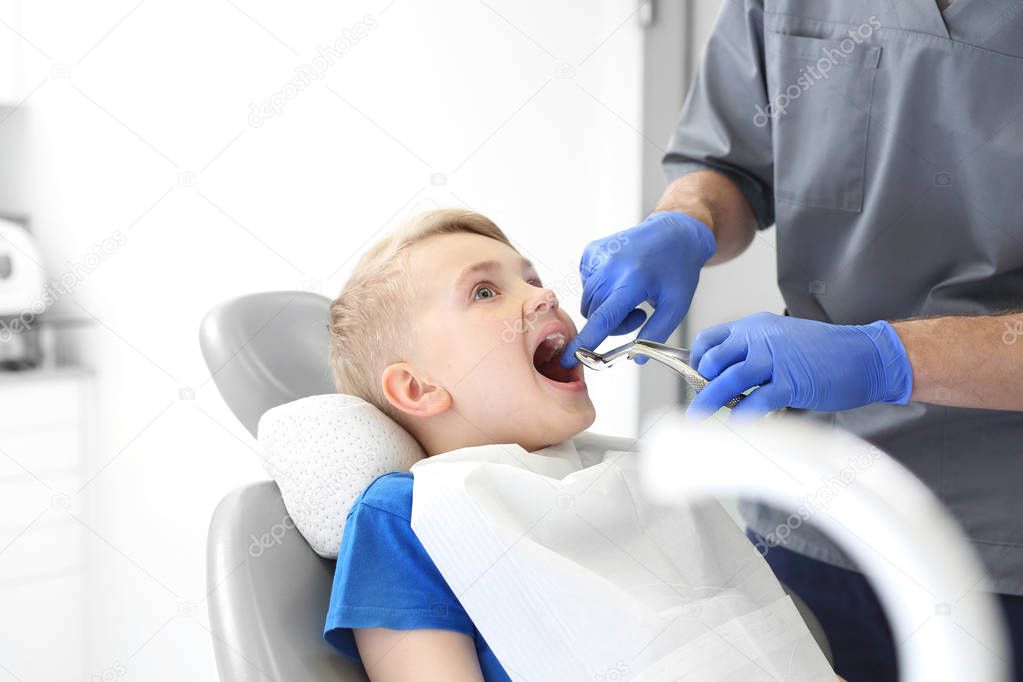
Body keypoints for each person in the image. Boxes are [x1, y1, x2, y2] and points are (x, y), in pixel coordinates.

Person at [559, 1, 1023, 679]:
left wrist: (883, 357)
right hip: (810, 510)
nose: (536, 300)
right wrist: (687, 219)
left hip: (998, 548)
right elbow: (731, 163)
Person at [321, 209, 843, 681]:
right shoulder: (405, 515)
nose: (545, 296)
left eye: (531, 280)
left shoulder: (630, 474)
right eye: (484, 291)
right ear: (418, 388)